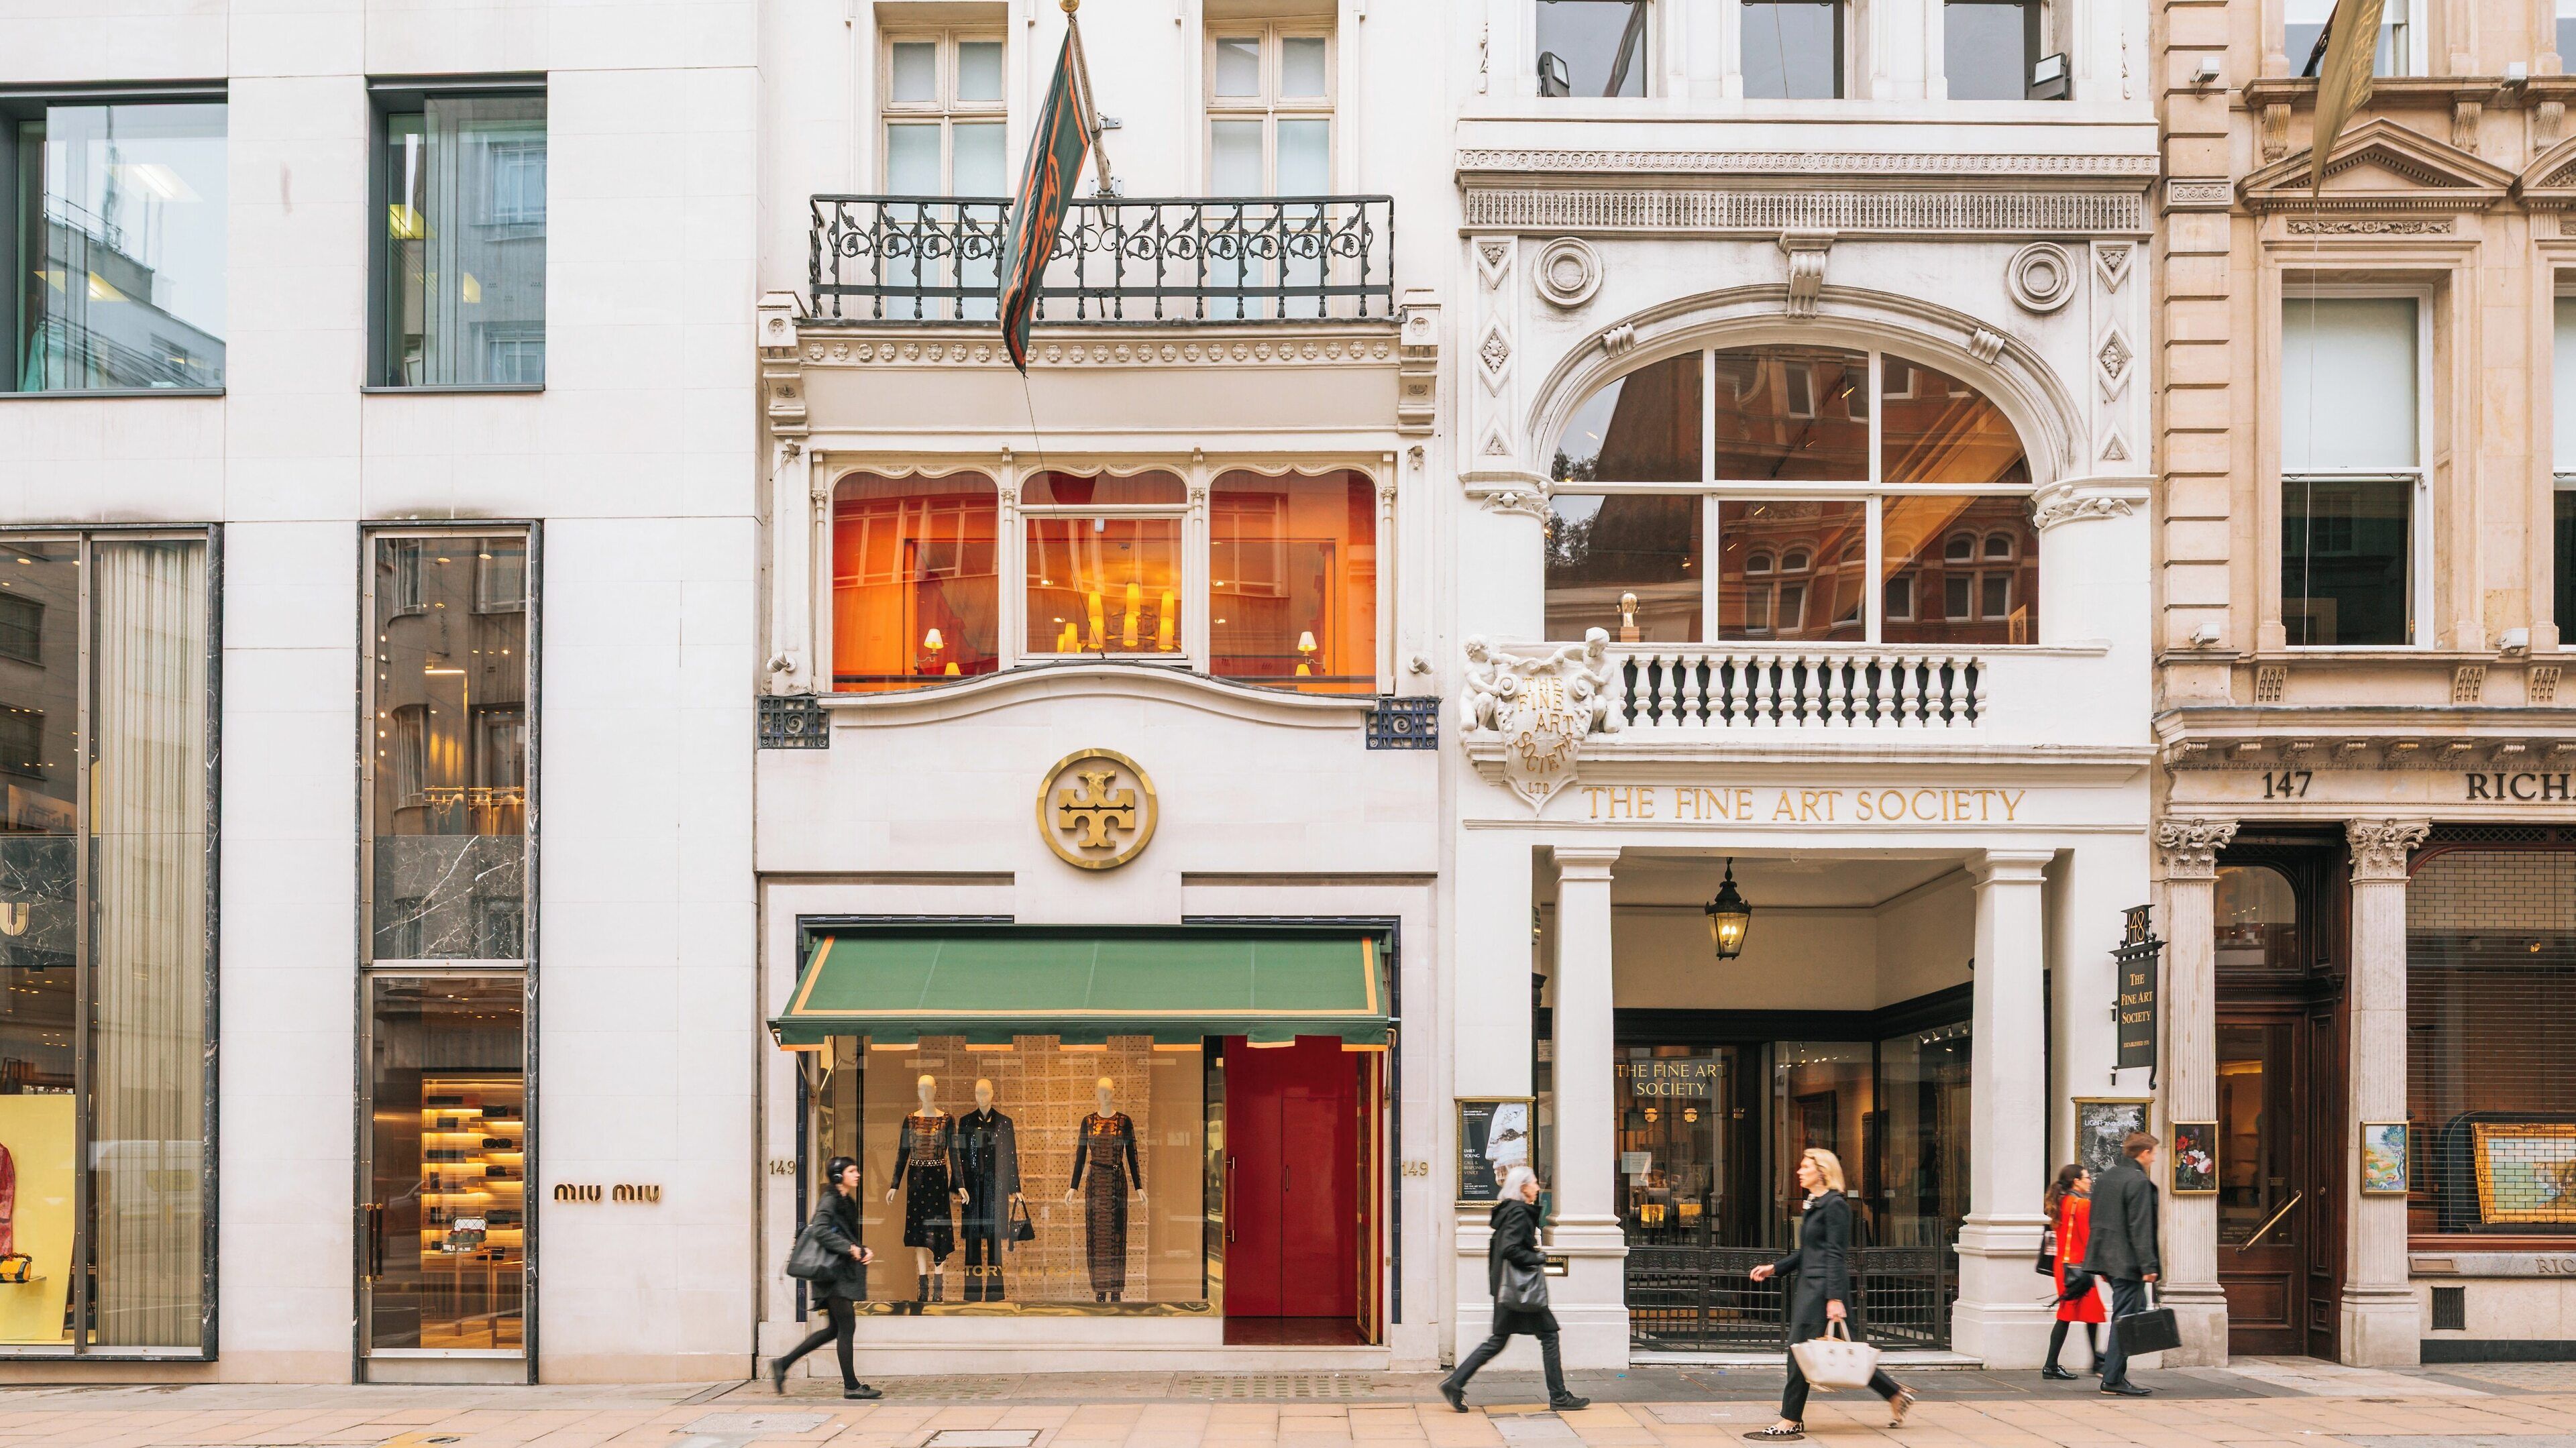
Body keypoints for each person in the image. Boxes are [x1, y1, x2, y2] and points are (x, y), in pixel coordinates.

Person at [1743, 1148, 1914, 1441]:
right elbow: (1809, 1251)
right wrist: (1775, 1267)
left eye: (1804, 1166)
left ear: (1822, 1171)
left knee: (1799, 1352)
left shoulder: (1835, 1206)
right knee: (1845, 1351)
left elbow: (1835, 1255)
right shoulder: (1816, 1204)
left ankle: (1790, 1419)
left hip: (1822, 1290)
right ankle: (1895, 1393)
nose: (1799, 1171)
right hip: (1812, 1287)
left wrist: (1834, 1298)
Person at [1439, 1165, 1590, 1413]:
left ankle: (1455, 1383)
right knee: (1549, 1337)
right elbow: (1511, 1249)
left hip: (1507, 1289)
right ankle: (1559, 1396)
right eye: (1534, 1183)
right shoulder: (1519, 1212)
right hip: (1519, 1291)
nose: (1538, 1188)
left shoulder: (1510, 1211)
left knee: (1499, 1341)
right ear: (1523, 1188)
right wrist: (1538, 1258)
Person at [770, 1156, 881, 1400]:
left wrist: (861, 1249)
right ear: (839, 1176)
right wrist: (850, 1249)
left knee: (834, 1329)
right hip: (831, 1275)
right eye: (853, 1171)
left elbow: (843, 1233)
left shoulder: (844, 1200)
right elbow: (820, 1230)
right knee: (847, 1325)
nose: (858, 1174)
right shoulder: (830, 1200)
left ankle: (783, 1363)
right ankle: (851, 1386)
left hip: (837, 1272)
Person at [2082, 1131, 2161, 1398]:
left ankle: (2111, 1361)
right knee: (2125, 1318)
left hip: (2108, 1256)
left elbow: (2097, 1217)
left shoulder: (2107, 1177)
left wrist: (2103, 1262)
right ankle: (2113, 1377)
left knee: (2133, 1310)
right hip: (2128, 1261)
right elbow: (2140, 1227)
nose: (2154, 1158)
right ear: (2144, 1153)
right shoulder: (2137, 1181)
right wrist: (2149, 1266)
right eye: (2153, 1152)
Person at [2041, 1164, 2104, 1380]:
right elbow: (2089, 1239)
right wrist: (2103, 1270)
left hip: (2065, 1267)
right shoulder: (2083, 1205)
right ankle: (2052, 1365)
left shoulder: (2061, 1203)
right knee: (2070, 1315)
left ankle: (2094, 1360)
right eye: (2087, 1178)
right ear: (2076, 1181)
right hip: (2079, 1269)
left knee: (2088, 1314)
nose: (2090, 1181)